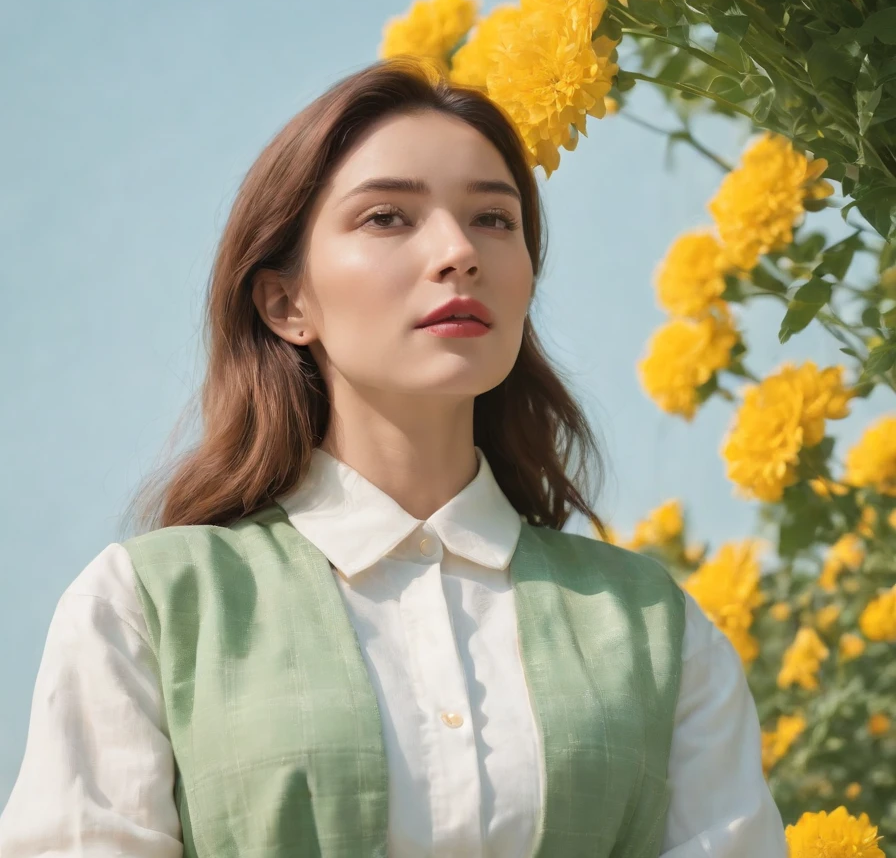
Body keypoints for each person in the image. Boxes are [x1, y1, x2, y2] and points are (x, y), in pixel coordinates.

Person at [0, 58, 787, 856]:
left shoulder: (653, 626)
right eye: (387, 217)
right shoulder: (146, 608)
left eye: (494, 219)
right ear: (286, 302)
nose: (458, 252)